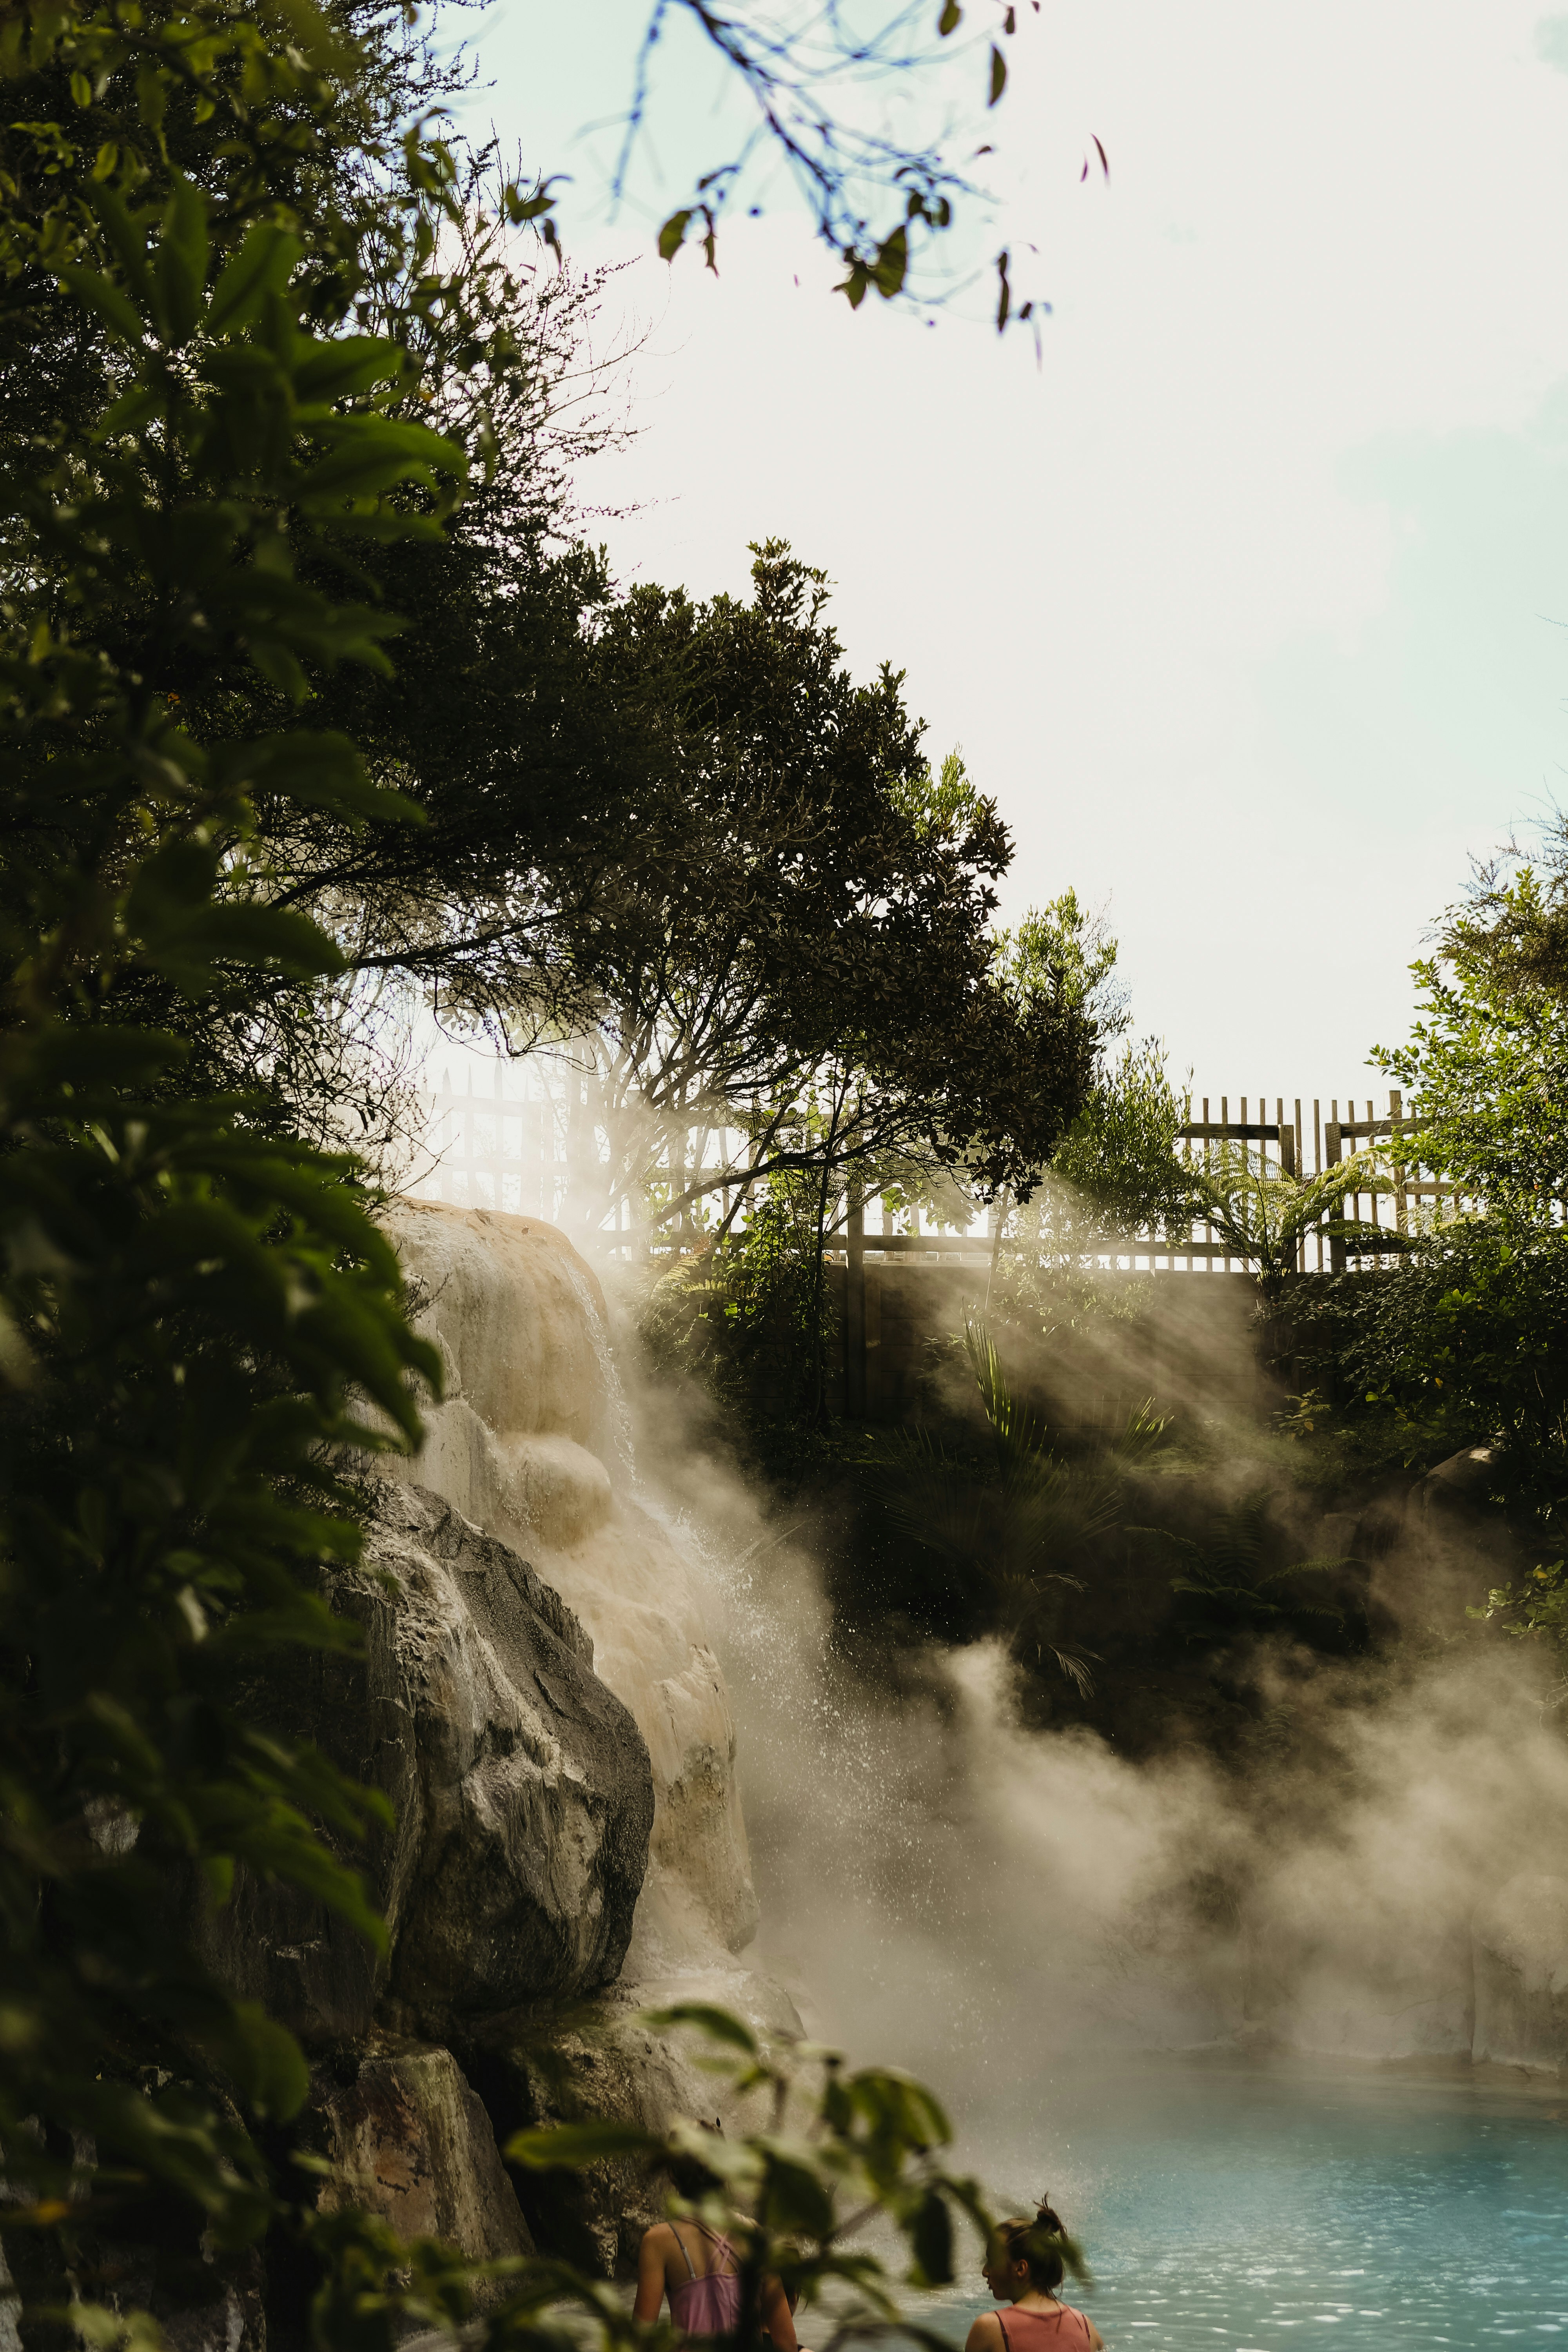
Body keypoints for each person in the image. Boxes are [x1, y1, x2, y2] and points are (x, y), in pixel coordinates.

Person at [633, 2155, 798, 2350]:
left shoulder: (659, 2241)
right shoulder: (753, 2234)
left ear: (672, 2174)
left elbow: (639, 2341)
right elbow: (786, 2342)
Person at [963, 2200, 1104, 2352]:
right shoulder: (1086, 2327)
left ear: (1021, 2268)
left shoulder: (990, 2328)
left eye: (992, 2260)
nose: (985, 2272)